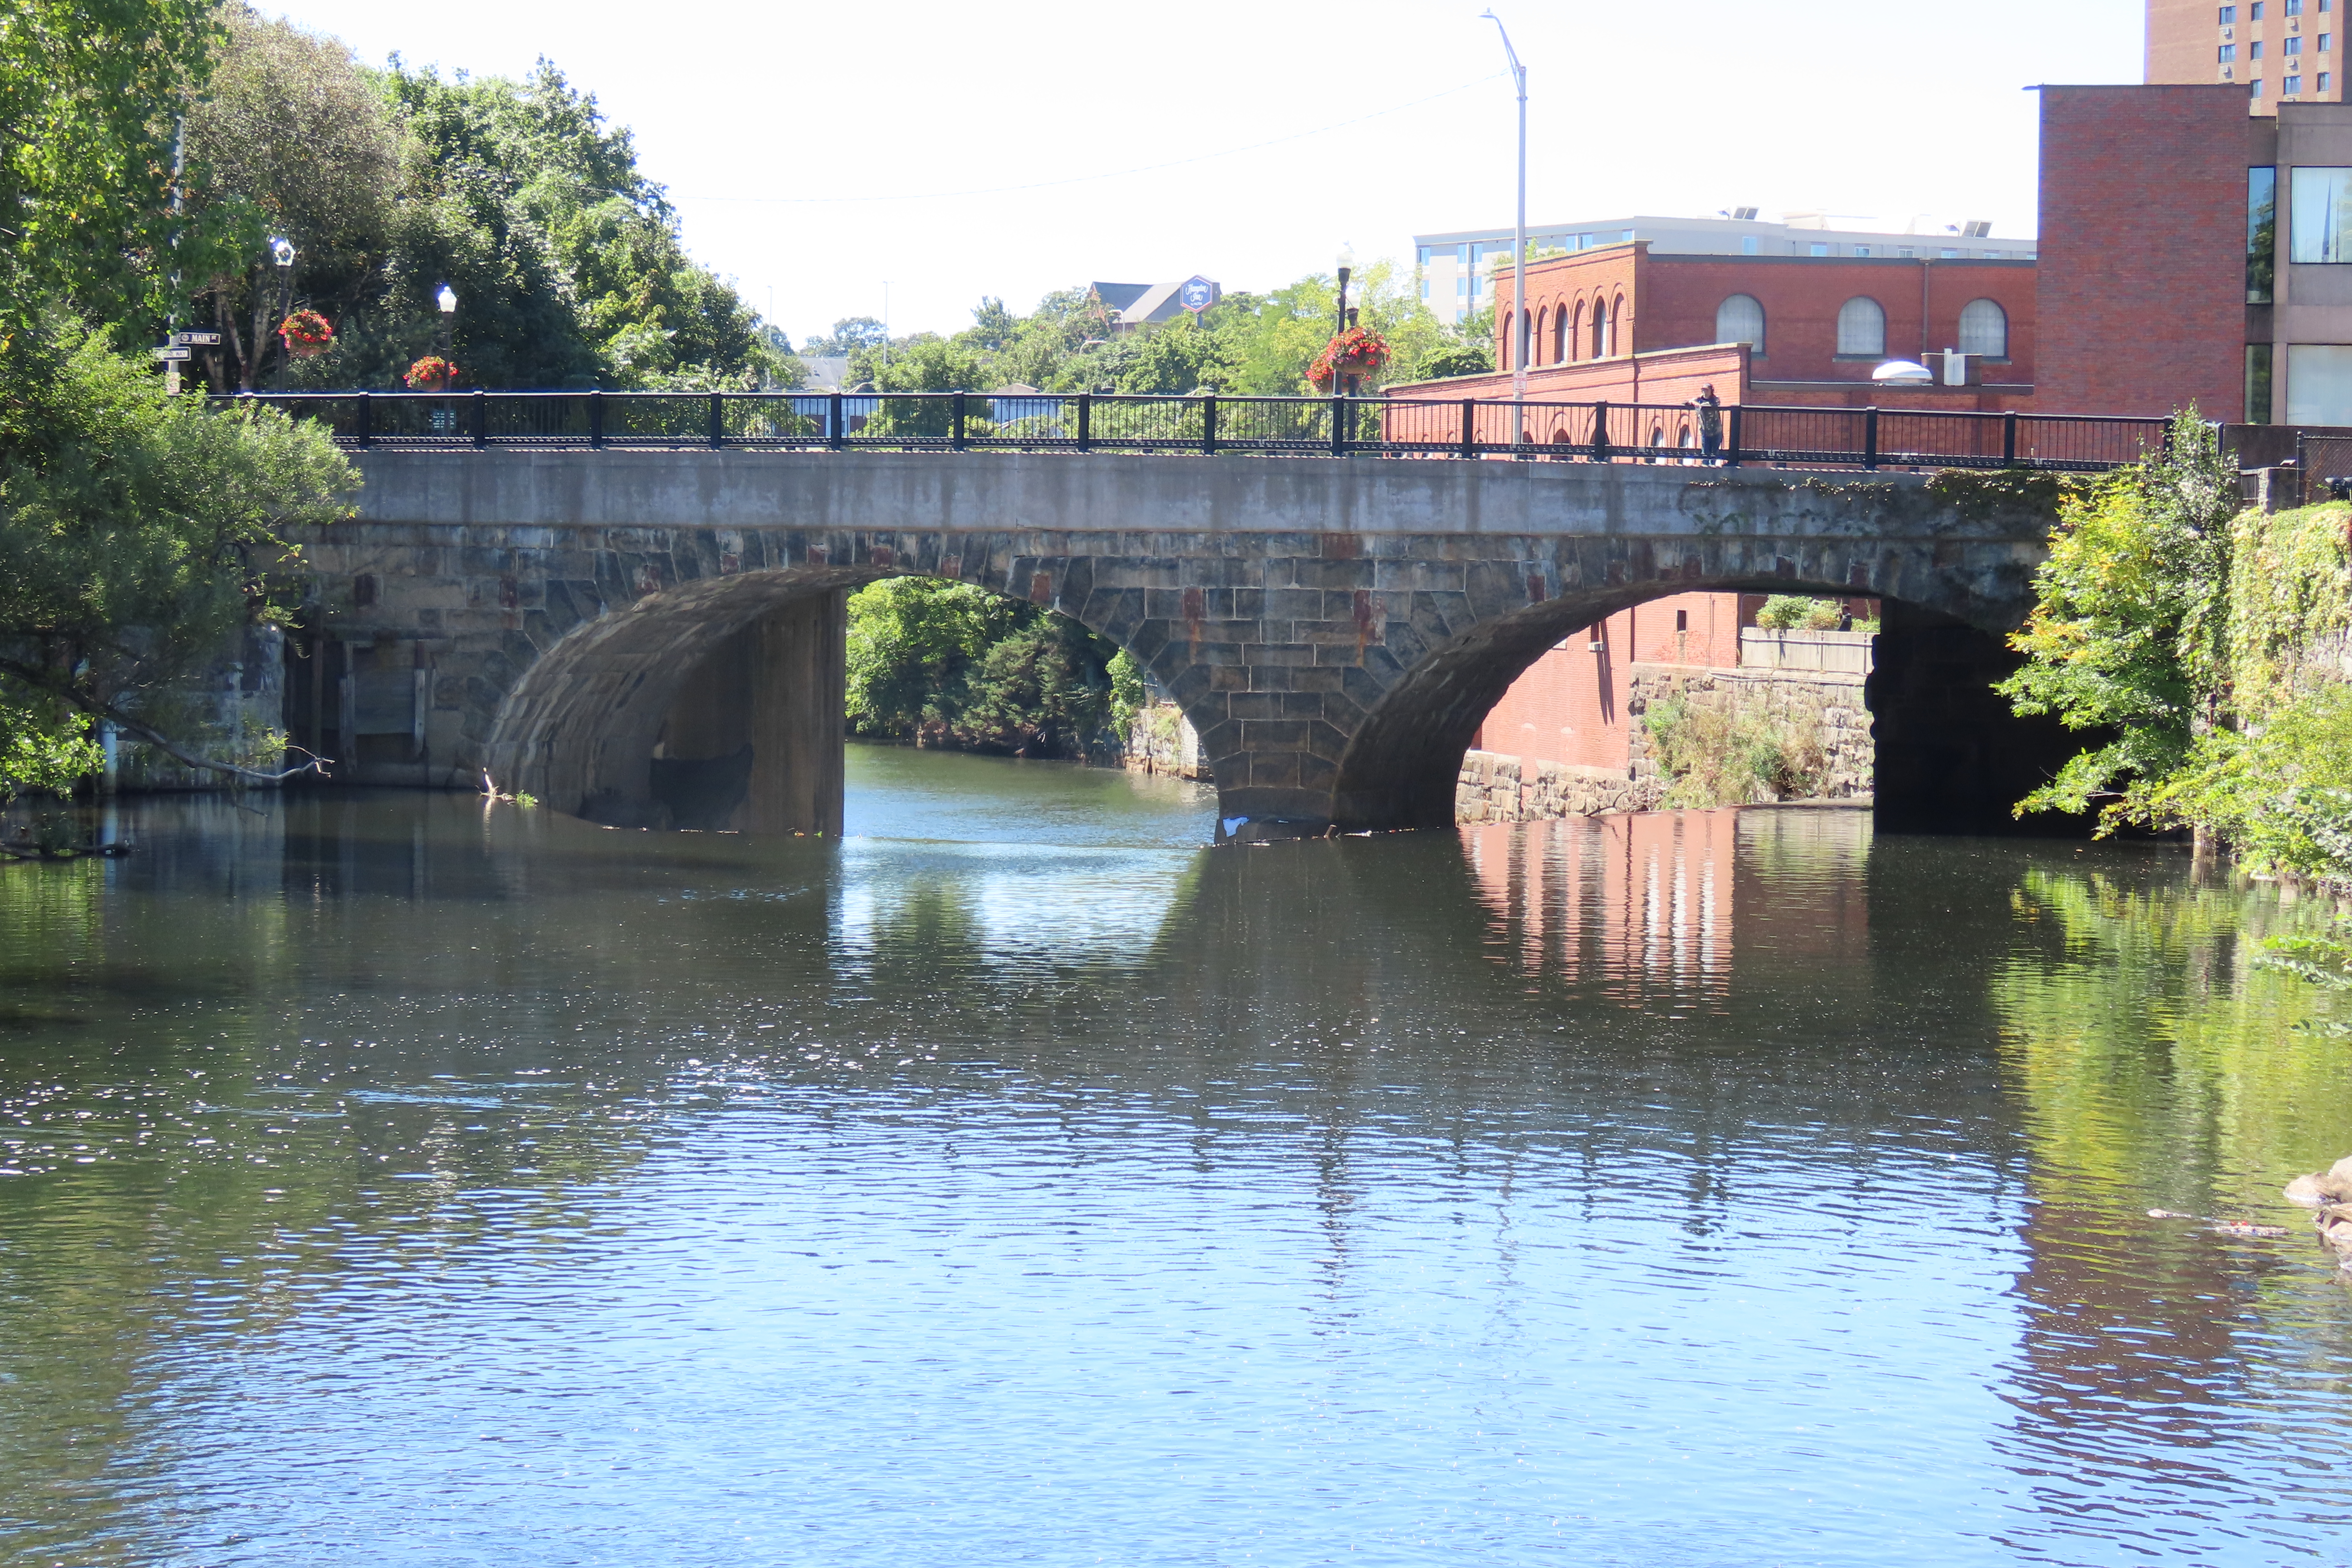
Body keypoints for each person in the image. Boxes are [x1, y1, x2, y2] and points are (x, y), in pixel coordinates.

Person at [1692, 384, 1724, 465]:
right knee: (1705, 452)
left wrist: (1699, 405)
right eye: (1703, 390)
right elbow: (1687, 402)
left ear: (1711, 391)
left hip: (1716, 430)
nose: (1704, 391)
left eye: (1706, 390)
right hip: (1705, 430)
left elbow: (1712, 404)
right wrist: (1694, 402)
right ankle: (1705, 469)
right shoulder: (1699, 400)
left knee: (1715, 452)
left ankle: (1712, 467)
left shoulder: (1715, 399)